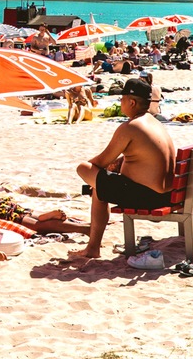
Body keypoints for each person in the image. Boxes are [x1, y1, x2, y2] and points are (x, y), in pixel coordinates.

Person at [70, 79, 176, 260]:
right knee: (100, 185)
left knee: (85, 169)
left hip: (149, 198)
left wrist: (95, 171)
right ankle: (92, 247)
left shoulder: (130, 127)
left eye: (121, 100)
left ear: (132, 102)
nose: (120, 104)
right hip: (170, 194)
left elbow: (100, 162)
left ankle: (93, 248)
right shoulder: (154, 122)